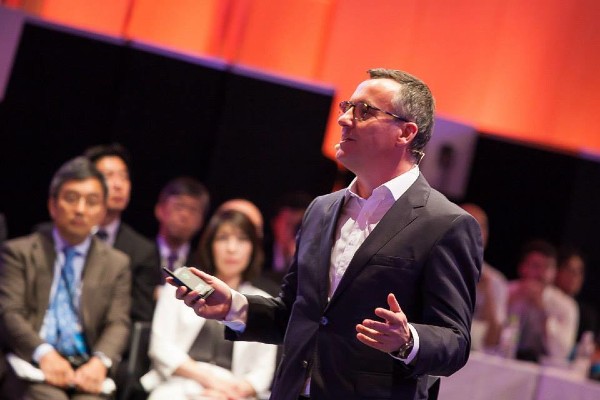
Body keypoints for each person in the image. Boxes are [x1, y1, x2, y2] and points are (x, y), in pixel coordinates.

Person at [172, 68, 483, 399]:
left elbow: (455, 342)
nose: (344, 119)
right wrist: (234, 306)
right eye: (347, 107)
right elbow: (295, 313)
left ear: (405, 132)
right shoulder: (321, 209)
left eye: (364, 111)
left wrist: (408, 340)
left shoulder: (445, 223)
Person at [0, 156, 131, 399]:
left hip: (86, 368)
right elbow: (10, 312)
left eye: (91, 202)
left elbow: (118, 322)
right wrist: (43, 353)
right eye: (71, 198)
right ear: (53, 205)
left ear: (102, 211)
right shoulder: (19, 252)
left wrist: (100, 362)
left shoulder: (116, 263)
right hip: (32, 364)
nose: (80, 209)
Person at [142, 209, 277, 399]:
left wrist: (229, 392)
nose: (231, 248)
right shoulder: (182, 287)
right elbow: (161, 347)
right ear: (210, 245)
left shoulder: (260, 302)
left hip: (234, 393)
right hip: (179, 385)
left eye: (242, 239)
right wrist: (211, 382)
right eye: (223, 238)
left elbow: (262, 373)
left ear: (253, 248)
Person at [83, 143, 160, 323]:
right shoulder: (62, 234)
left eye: (124, 177)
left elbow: (140, 316)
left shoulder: (142, 251)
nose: (118, 185)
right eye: (108, 176)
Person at [507, 239, 578, 363]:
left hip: (542, 367)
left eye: (548, 267)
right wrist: (511, 302)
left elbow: (562, 353)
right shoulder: (507, 292)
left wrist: (543, 312)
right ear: (522, 268)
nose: (542, 273)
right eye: (536, 266)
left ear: (554, 272)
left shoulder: (565, 305)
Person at [460, 203, 508, 352]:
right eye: (467, 224)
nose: (473, 233)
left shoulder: (496, 281)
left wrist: (488, 293)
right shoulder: (430, 265)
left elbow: (493, 340)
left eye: (479, 227)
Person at [155, 176, 210, 278]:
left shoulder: (204, 267)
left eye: (193, 210)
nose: (185, 215)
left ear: (201, 221)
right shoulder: (139, 254)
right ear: (160, 210)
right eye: (179, 206)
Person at [554, 247, 598, 345]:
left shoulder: (587, 315)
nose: (575, 276)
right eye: (570, 270)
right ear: (557, 271)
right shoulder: (545, 303)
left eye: (579, 272)